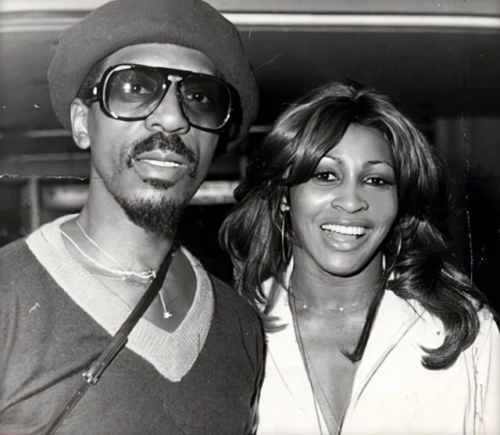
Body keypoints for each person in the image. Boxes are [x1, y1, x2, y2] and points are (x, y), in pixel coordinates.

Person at [0, 0, 264, 433]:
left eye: (199, 97)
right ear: (83, 124)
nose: (173, 117)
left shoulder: (239, 323)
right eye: (136, 88)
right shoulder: (9, 294)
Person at [221, 81, 500, 434]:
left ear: (401, 203)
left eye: (376, 180)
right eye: (325, 175)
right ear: (284, 195)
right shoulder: (229, 329)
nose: (351, 202)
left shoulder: (463, 329)